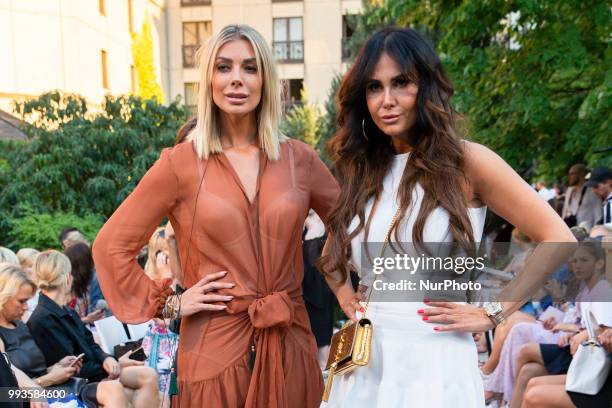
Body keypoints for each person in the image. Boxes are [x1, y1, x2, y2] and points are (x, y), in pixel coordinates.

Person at [318, 27, 575, 407]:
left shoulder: (467, 162)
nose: (386, 100)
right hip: (365, 360)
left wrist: (493, 312)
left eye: (401, 83)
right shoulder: (363, 168)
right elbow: (330, 257)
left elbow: (559, 238)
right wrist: (347, 299)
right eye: (374, 87)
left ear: (426, 86)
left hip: (433, 358)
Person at [92, 24, 339, 408]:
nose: (236, 80)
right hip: (214, 352)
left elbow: (352, 227)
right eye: (224, 67)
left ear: (266, 80)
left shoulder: (298, 159)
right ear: (208, 79)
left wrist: (352, 293)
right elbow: (110, 248)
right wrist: (170, 303)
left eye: (250, 68)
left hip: (290, 347)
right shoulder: (180, 165)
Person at [27, 250, 160, 407]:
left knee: (148, 374)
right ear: (67, 278)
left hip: (93, 374)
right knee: (133, 383)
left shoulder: (65, 311)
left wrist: (107, 359)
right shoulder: (42, 320)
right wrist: (109, 368)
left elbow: (90, 343)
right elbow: (71, 367)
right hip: (76, 384)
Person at [0, 262, 135, 407]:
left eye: (27, 301)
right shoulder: (29, 324)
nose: (26, 307)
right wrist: (47, 380)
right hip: (33, 396)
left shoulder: (20, 325)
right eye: (21, 301)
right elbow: (6, 393)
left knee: (118, 389)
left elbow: (33, 371)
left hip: (51, 389)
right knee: (116, 390)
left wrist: (56, 367)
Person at [561, 164, 602, 229]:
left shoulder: (591, 190)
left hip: (586, 232)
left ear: (581, 174)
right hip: (571, 230)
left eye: (572, 174)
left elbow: (598, 213)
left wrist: (595, 232)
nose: (569, 177)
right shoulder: (569, 190)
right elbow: (565, 211)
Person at [586, 166, 612, 232]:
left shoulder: (610, 203)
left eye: (596, 186)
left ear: (609, 182)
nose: (594, 190)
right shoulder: (606, 202)